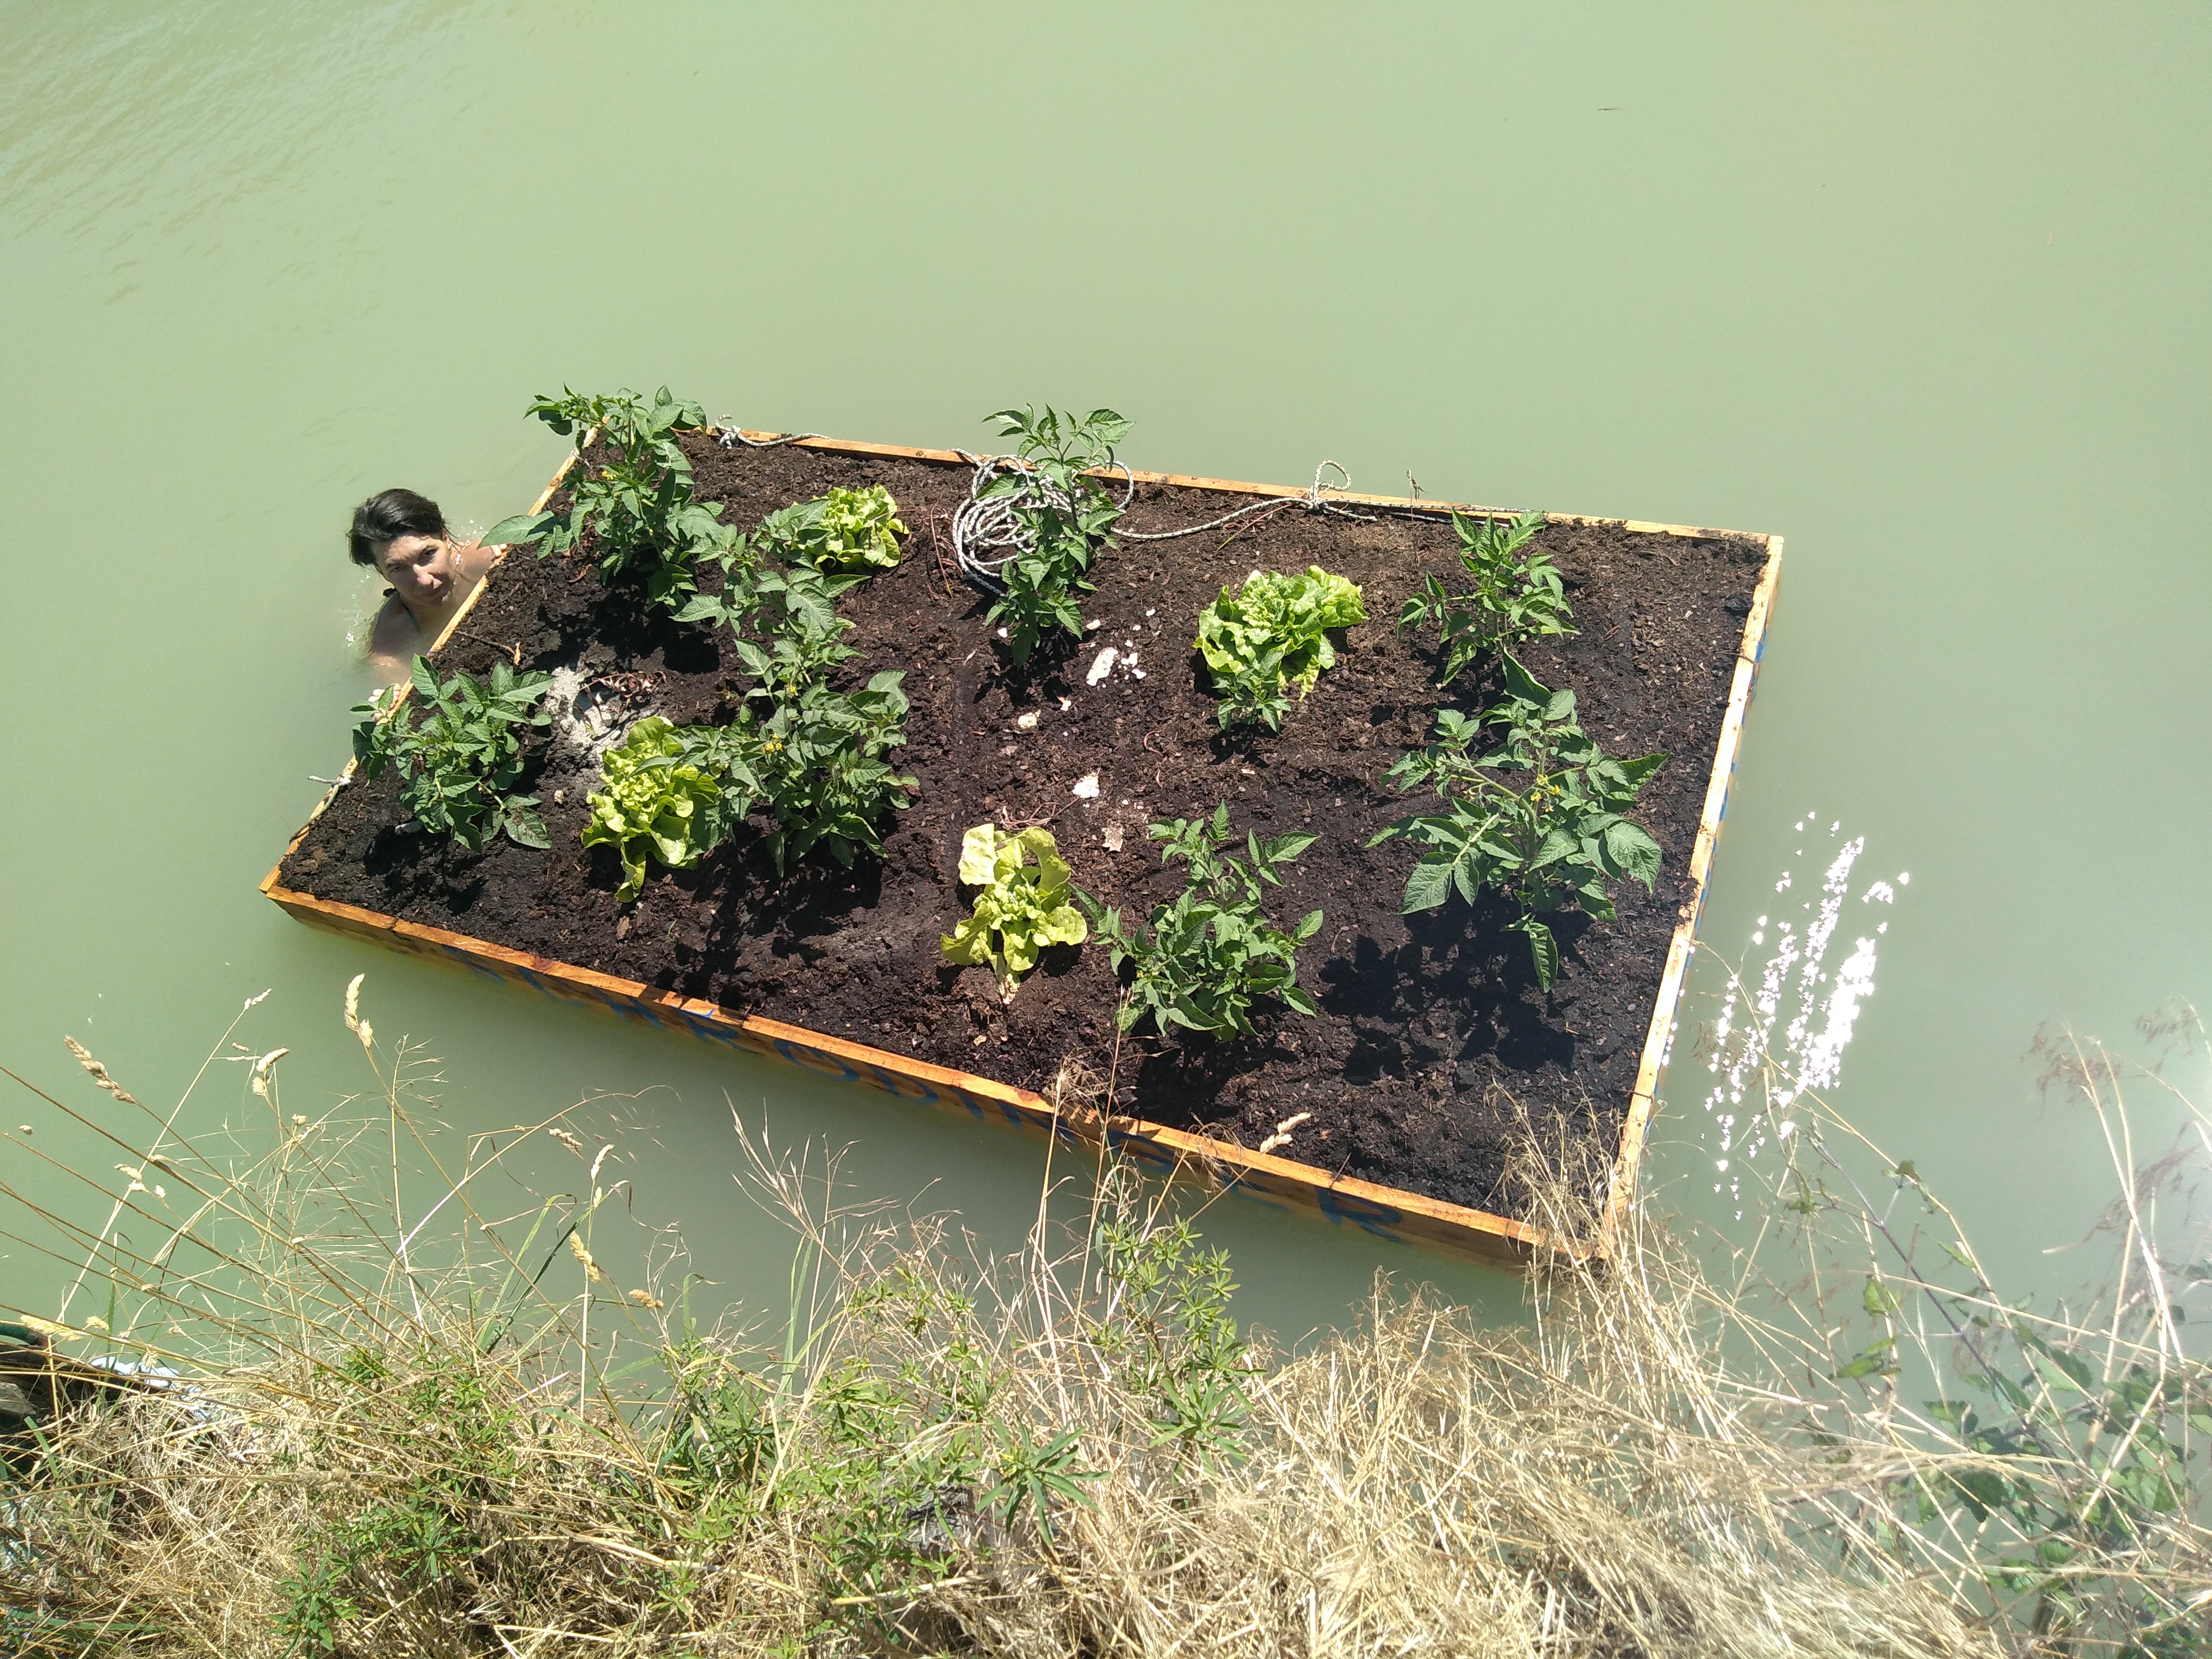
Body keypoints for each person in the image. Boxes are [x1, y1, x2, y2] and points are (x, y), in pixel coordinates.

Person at [348, 488, 496, 685]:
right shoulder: (389, 646)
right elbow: (400, 694)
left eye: (427, 555)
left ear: (446, 539)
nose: (424, 581)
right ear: (382, 573)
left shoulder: (487, 559)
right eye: (398, 568)